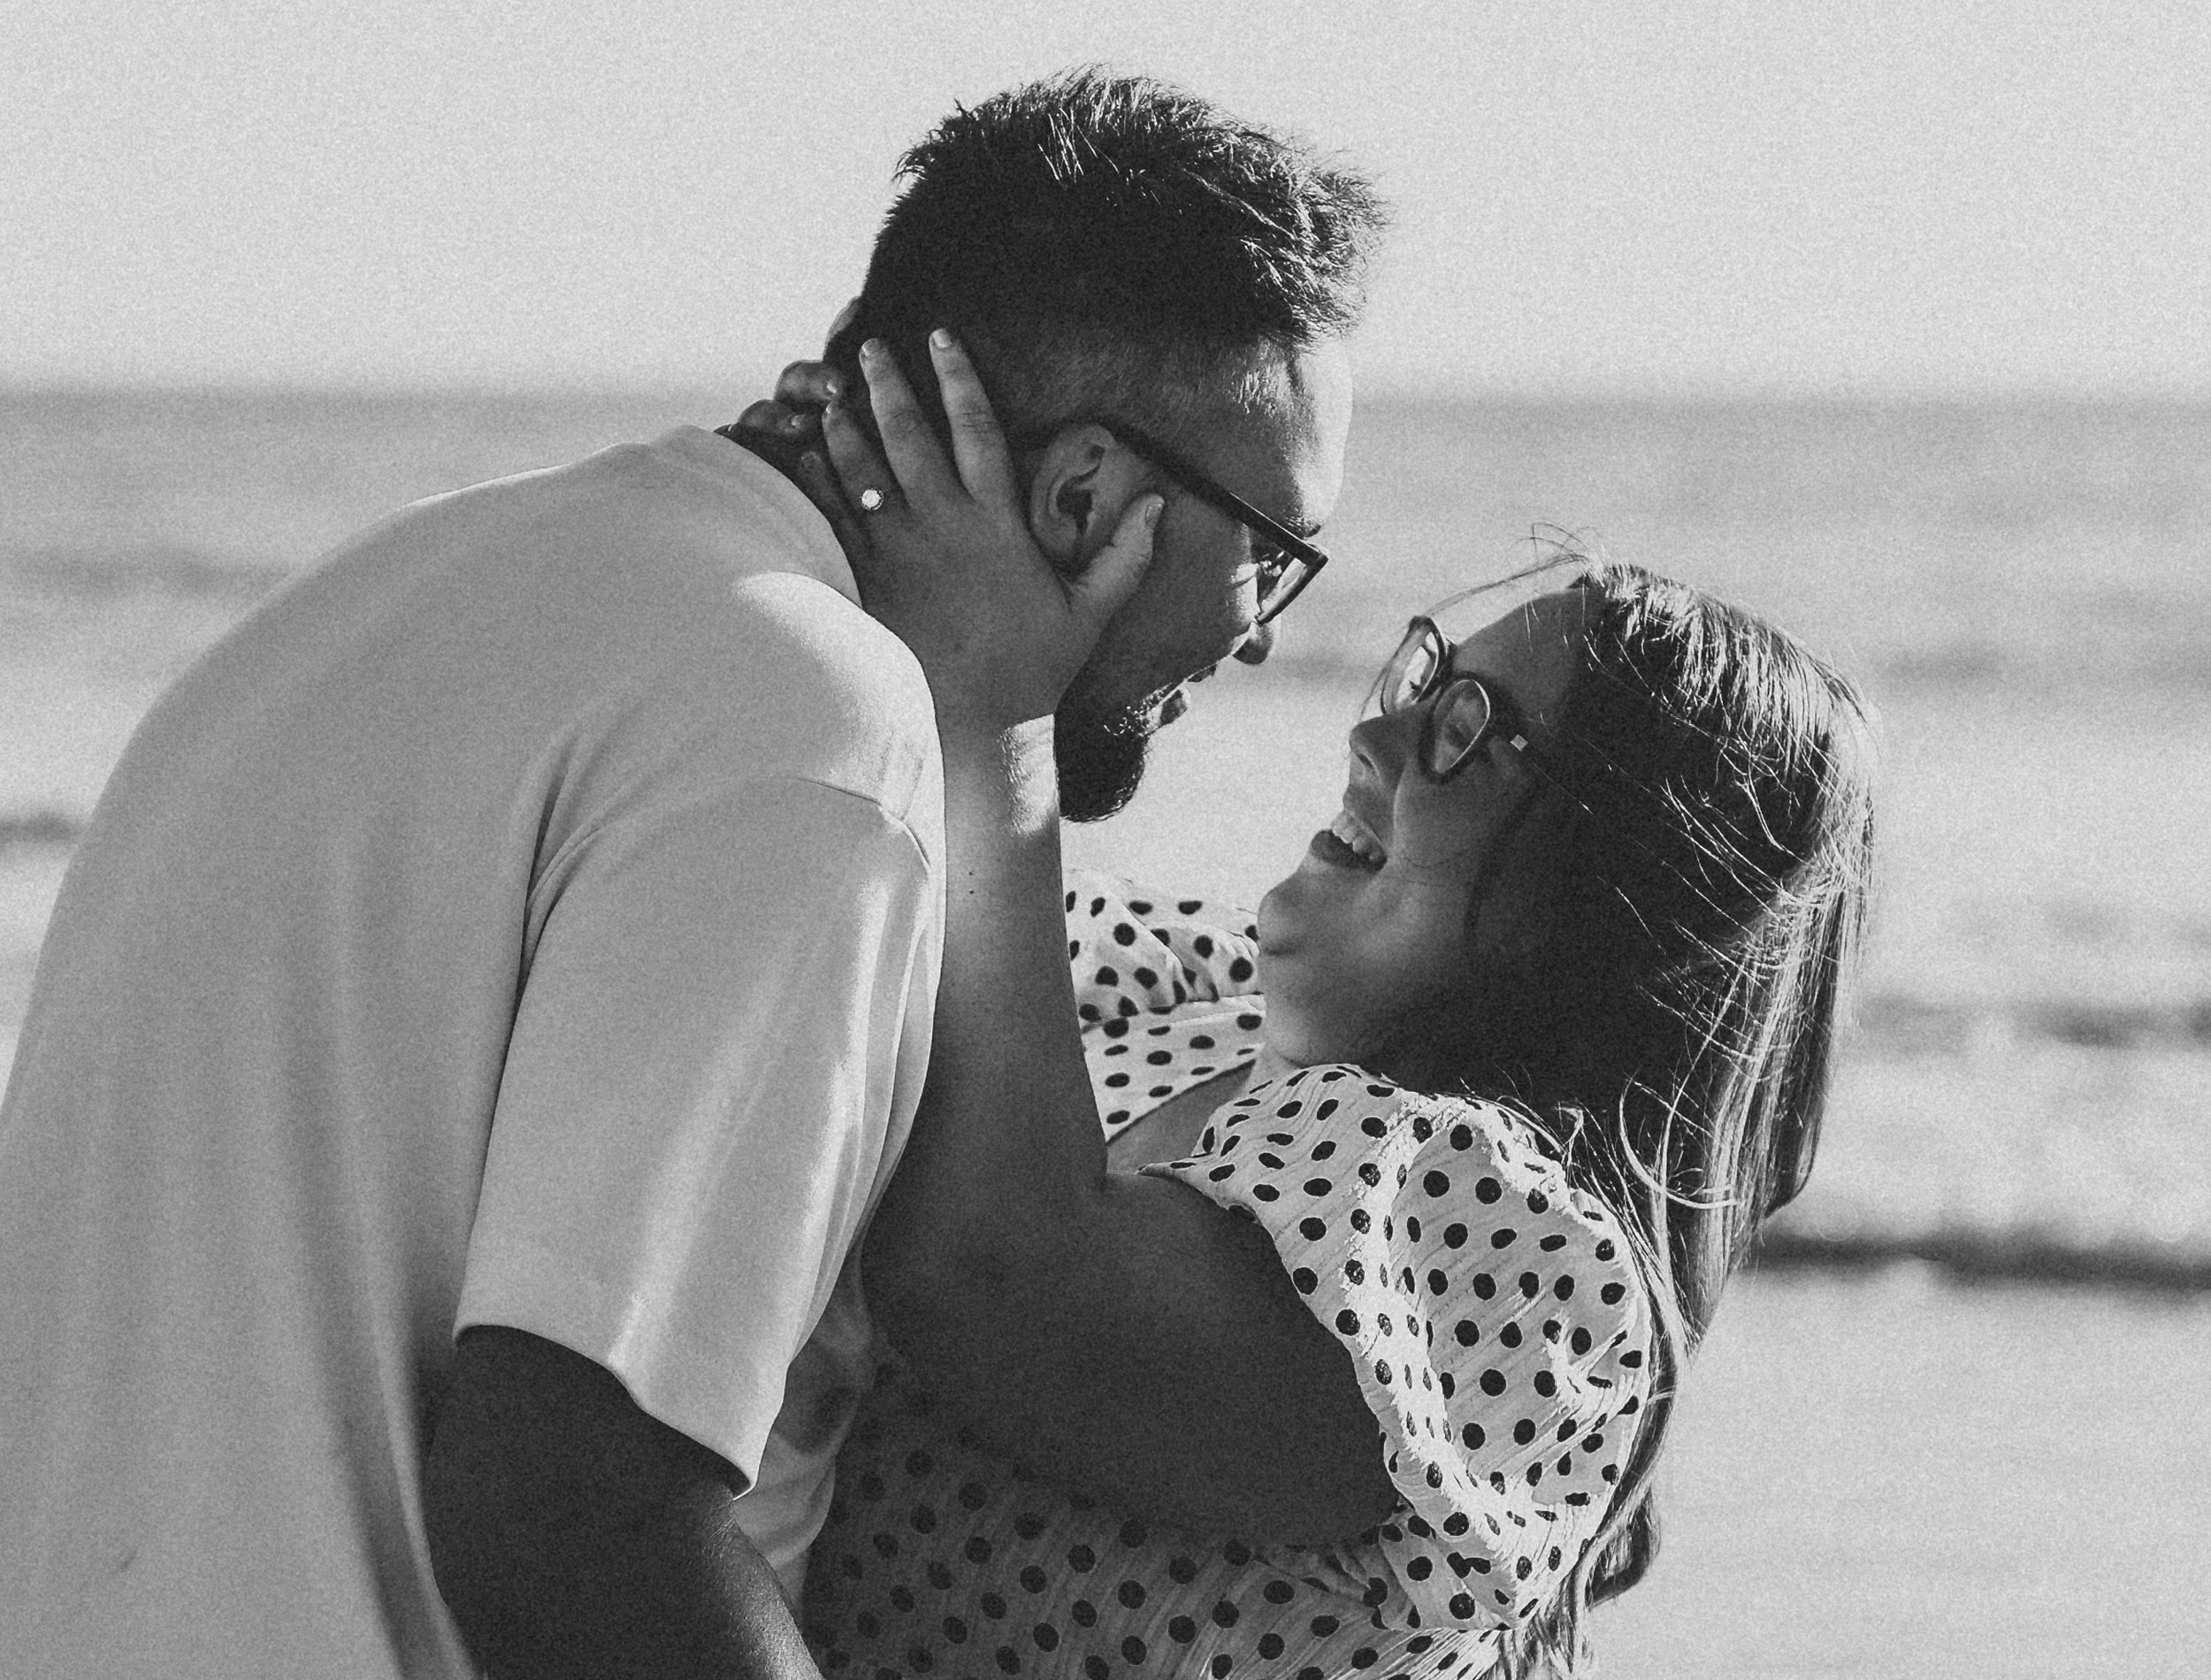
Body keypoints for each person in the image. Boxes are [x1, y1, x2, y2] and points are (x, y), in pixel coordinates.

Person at [0, 73, 1384, 1679]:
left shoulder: (404, 589)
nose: (1268, 631)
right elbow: (568, 1499)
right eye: (1272, 556)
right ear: (1085, 498)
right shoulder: (805, 730)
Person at [773, 338, 1876, 1678]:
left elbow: (1000, 1286)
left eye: (1468, 726)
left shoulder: (1515, 1252)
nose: (1374, 740)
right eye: (1418, 683)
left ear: (1617, 895)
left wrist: (998, 707)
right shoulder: (1190, 991)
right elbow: (835, 958)